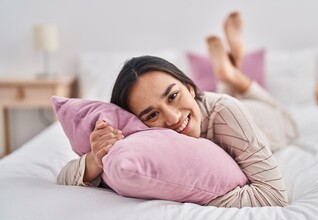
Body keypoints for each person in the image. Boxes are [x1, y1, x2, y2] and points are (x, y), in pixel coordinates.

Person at [57, 12, 297, 208]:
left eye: (173, 96)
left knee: (285, 118)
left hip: (258, 116)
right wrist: (94, 161)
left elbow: (274, 196)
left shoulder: (227, 112)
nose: (172, 118)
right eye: (151, 115)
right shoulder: (139, 136)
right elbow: (63, 177)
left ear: (190, 87)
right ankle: (228, 74)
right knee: (226, 98)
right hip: (213, 104)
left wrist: (199, 196)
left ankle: (232, 74)